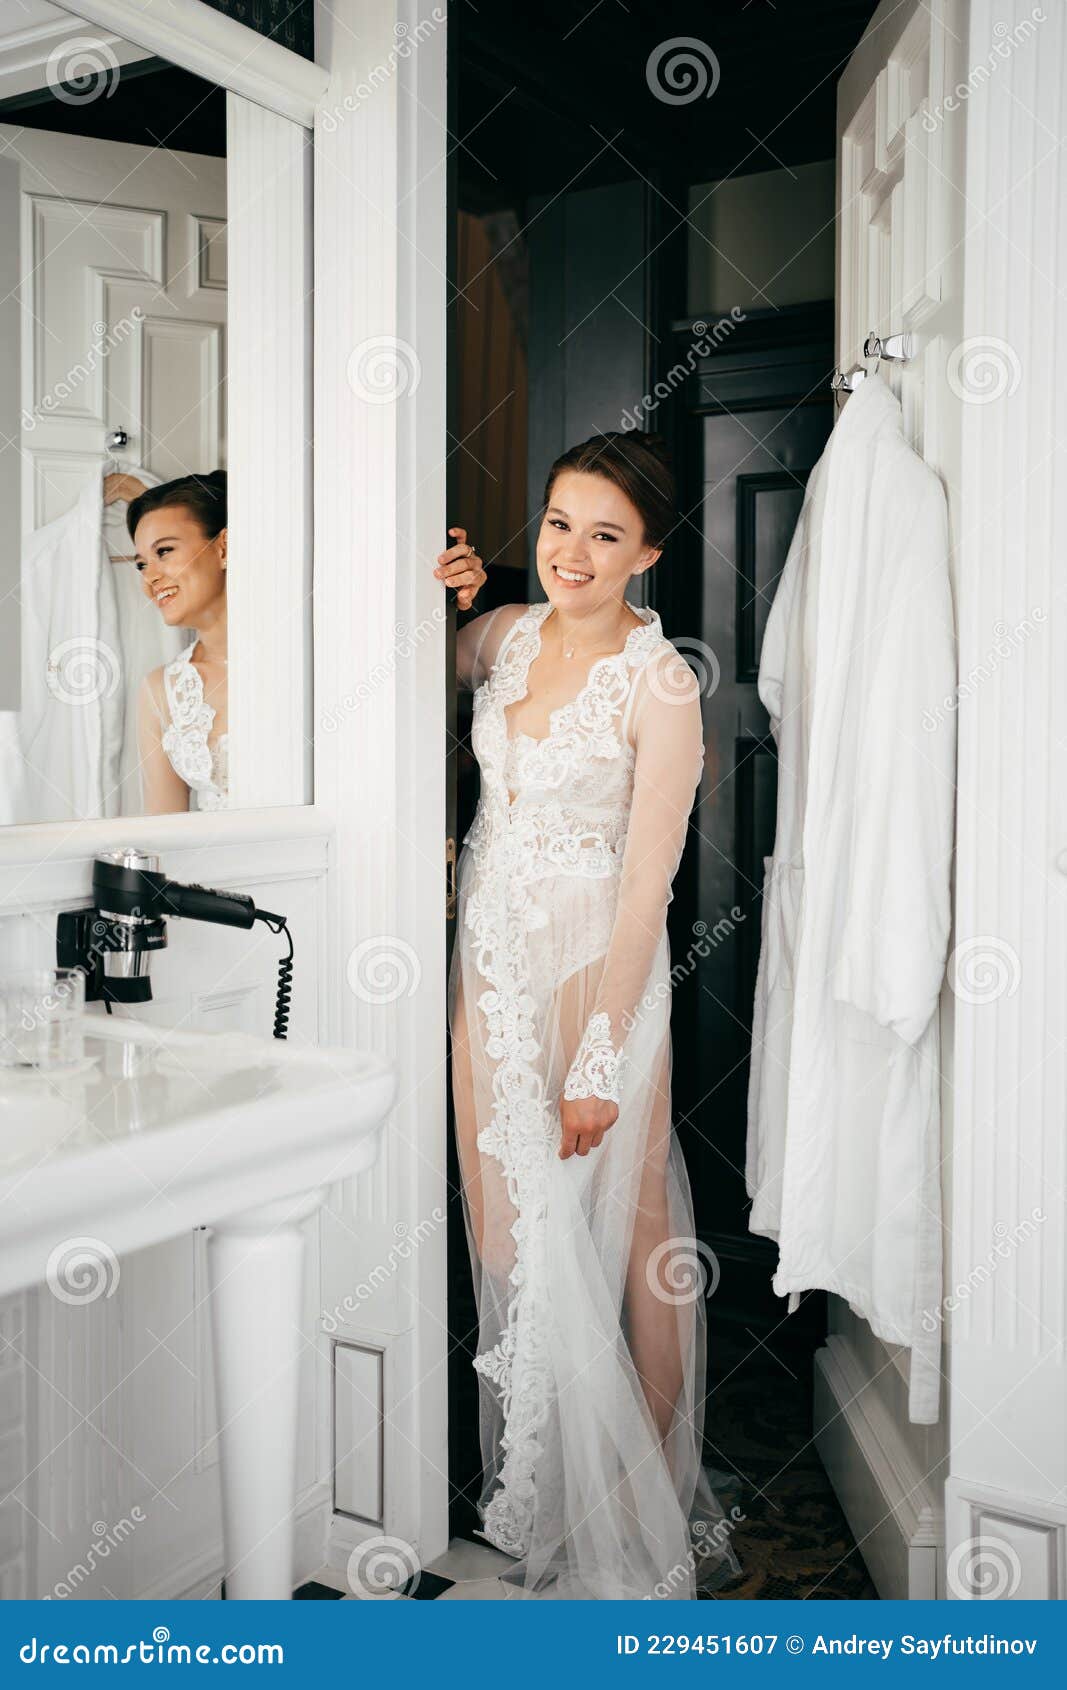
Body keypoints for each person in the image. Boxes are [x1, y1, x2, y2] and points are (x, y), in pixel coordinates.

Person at [437, 432, 740, 1600]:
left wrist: (601, 1056)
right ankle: (539, 1489)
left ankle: (643, 1505)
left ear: (646, 554)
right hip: (486, 966)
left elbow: (646, 881)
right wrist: (456, 590)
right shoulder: (504, 639)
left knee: (635, 1232)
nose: (572, 551)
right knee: (507, 1233)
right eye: (559, 522)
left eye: (605, 534)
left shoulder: (658, 682)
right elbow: (429, 667)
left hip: (594, 972)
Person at [130, 472, 229, 813]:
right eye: (142, 564)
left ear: (223, 548)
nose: (150, 577)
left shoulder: (302, 660)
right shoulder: (161, 691)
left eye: (165, 551)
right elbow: (162, 833)